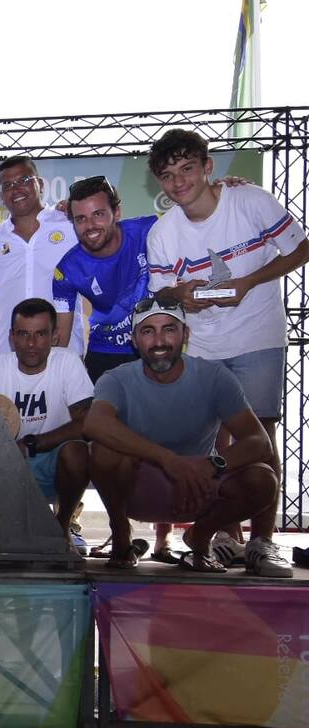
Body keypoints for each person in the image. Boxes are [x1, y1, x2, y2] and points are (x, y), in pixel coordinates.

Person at [146, 128, 309, 564]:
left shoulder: (250, 200)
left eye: (187, 168)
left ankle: (262, 541)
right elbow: (162, 292)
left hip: (257, 335)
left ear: (208, 166)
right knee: (212, 442)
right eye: (168, 175)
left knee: (261, 436)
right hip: (202, 344)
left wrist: (248, 282)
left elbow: (301, 249)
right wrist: (183, 294)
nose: (179, 181)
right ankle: (224, 535)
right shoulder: (163, 233)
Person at [84, 298, 288, 576]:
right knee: (101, 450)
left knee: (263, 479)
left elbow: (259, 442)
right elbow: (94, 424)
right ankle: (121, 533)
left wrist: (212, 464)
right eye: (148, 331)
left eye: (169, 329)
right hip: (138, 491)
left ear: (185, 335)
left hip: (197, 487)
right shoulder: (116, 378)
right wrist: (168, 460)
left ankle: (200, 537)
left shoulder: (214, 376)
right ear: (134, 340)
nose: (159, 341)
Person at [0, 299, 92, 551]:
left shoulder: (67, 362)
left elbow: (86, 421)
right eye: (23, 334)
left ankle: (61, 526)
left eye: (40, 334)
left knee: (78, 453)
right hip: (3, 466)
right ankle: (16, 523)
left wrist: (34, 443)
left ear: (54, 336)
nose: (31, 343)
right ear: (11, 337)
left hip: (50, 464)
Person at [0, 155, 84, 357]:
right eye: (7, 185)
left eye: (24, 180)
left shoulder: (70, 225)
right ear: (1, 195)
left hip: (64, 352)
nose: (16, 189)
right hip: (7, 356)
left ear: (40, 184)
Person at [53, 176, 152, 383]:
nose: (90, 226)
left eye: (98, 214)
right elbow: (61, 336)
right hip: (105, 353)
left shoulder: (149, 230)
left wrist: (219, 192)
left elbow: (195, 218)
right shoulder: (67, 269)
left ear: (117, 213)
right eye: (80, 219)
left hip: (155, 345)